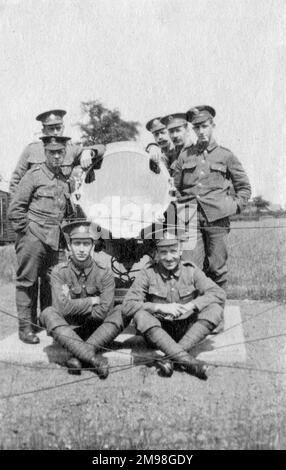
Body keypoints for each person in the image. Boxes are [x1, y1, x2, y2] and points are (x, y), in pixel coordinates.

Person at [122, 228, 225, 380]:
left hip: (187, 331)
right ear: (156, 253)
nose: (169, 257)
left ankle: (170, 358)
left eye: (173, 251)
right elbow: (128, 304)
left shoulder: (191, 271)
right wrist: (159, 307)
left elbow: (218, 293)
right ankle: (191, 363)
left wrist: (192, 305)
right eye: (163, 252)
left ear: (180, 250)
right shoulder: (148, 273)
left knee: (215, 309)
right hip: (158, 332)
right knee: (140, 315)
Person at [173, 105, 251, 288]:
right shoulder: (185, 156)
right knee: (190, 267)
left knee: (217, 268)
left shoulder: (226, 155)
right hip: (190, 218)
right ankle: (195, 311)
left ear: (212, 126)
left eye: (204, 126)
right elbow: (173, 187)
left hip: (217, 219)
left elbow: (244, 187)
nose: (201, 131)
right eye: (197, 127)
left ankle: (216, 310)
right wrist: (181, 205)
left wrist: (231, 207)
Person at [8, 135, 75, 344]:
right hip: (33, 237)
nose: (56, 156)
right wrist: (27, 232)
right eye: (52, 152)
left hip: (56, 240)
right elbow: (15, 209)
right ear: (44, 153)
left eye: (60, 152)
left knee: (51, 283)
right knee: (27, 282)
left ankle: (47, 323)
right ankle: (26, 328)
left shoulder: (65, 180)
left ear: (64, 154)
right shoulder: (33, 175)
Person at [40, 220, 126, 378]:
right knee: (48, 313)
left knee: (121, 311)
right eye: (77, 243)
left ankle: (77, 356)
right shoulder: (59, 272)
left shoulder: (104, 273)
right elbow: (62, 309)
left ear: (93, 246)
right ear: (69, 247)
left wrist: (74, 305)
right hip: (68, 328)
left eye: (86, 244)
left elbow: (105, 310)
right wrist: (93, 301)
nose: (81, 249)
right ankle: (93, 360)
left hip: (95, 327)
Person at [9, 109, 105, 197]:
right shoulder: (31, 150)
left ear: (63, 128)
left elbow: (102, 148)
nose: (55, 133)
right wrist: (16, 213)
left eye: (58, 128)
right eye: (51, 129)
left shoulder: (71, 150)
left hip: (61, 208)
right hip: (36, 209)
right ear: (43, 131)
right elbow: (16, 182)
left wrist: (89, 152)